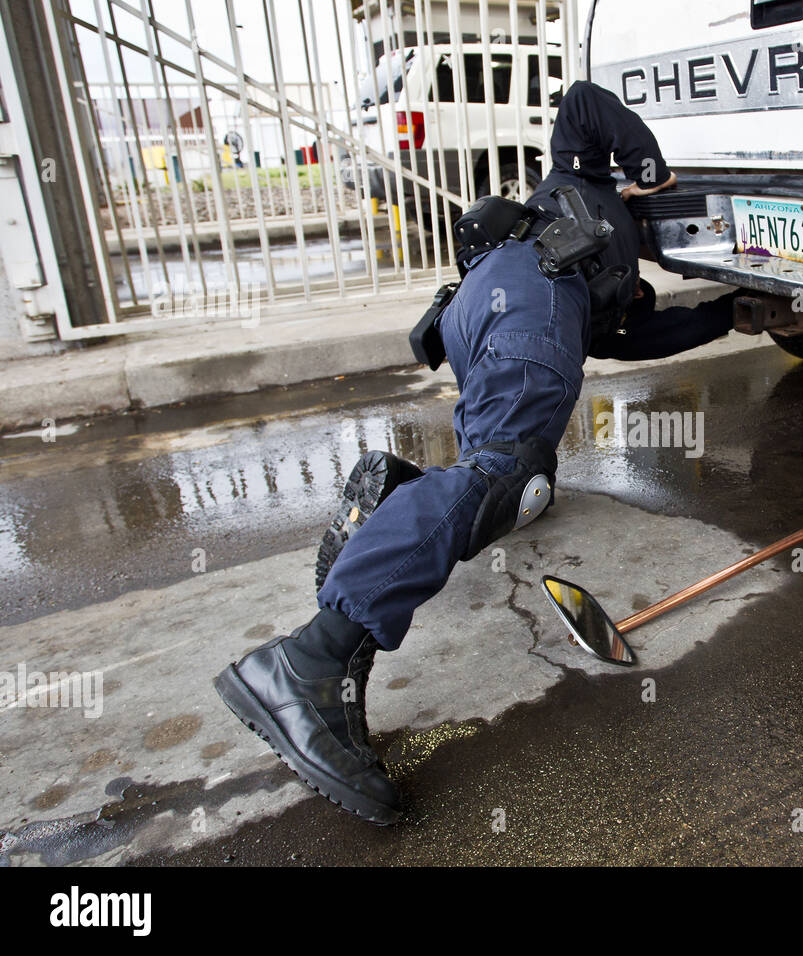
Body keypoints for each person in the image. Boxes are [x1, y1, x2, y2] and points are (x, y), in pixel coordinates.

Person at [213, 81, 736, 824]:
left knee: (521, 489)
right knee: (500, 476)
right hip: (527, 296)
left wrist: (729, 315)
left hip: (489, 305)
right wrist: (648, 167)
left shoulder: (606, 261)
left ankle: (388, 501)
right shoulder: (587, 172)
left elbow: (625, 339)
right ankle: (311, 661)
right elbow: (584, 98)